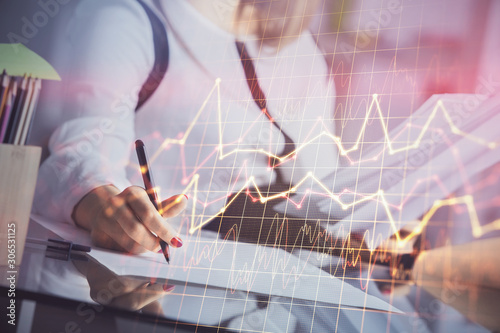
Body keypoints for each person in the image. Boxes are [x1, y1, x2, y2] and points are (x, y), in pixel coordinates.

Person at [34, 0, 338, 254]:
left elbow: (326, 183)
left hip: (278, 296)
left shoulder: (305, 54)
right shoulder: (126, 17)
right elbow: (81, 156)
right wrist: (104, 208)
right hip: (168, 283)